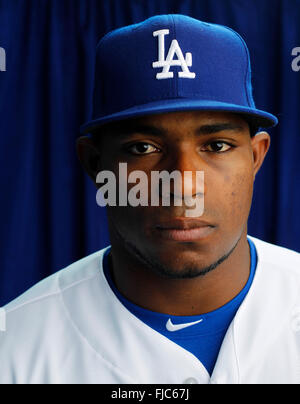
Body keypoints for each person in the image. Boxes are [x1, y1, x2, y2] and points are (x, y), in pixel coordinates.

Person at [0, 14, 299, 385]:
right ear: (95, 164)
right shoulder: (11, 350)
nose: (184, 185)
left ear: (256, 156)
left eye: (216, 145)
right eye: (144, 148)